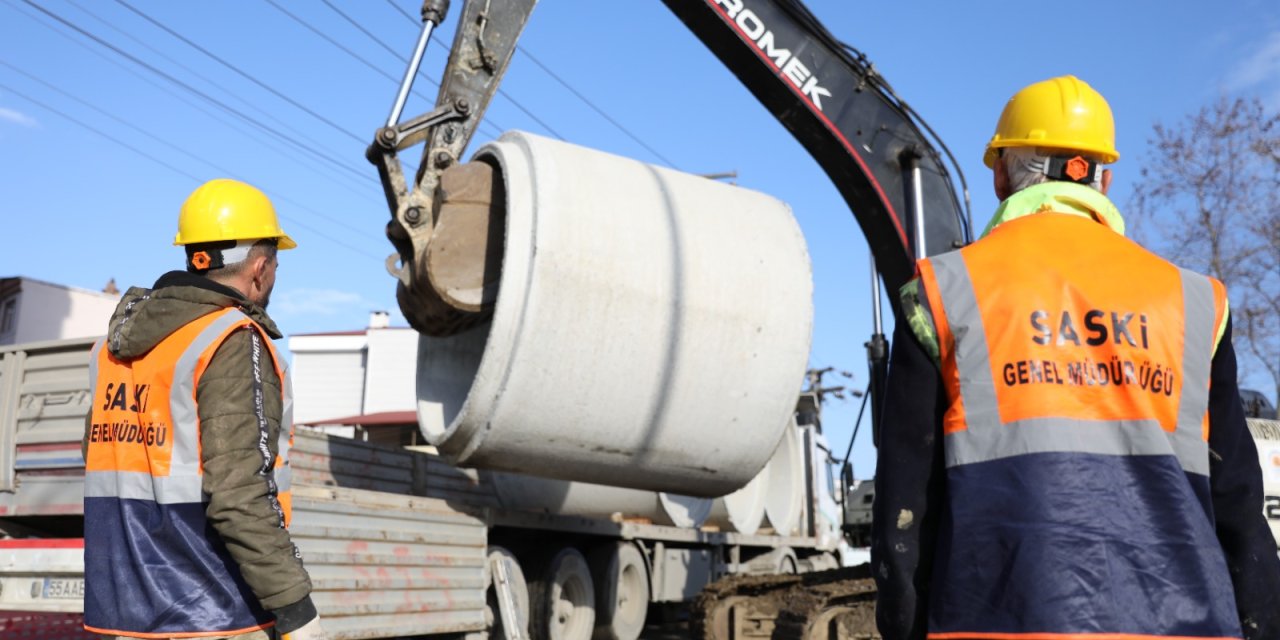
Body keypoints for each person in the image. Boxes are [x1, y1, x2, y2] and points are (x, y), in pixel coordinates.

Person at [871, 76, 1280, 640]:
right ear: (1104, 179)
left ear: (998, 175)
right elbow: (1240, 511)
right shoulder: (1194, 301)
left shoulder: (944, 290)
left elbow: (905, 516)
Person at [82, 179, 325, 640]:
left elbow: (102, 458)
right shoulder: (229, 340)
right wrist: (295, 607)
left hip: (124, 612)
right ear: (259, 267)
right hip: (212, 613)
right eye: (274, 264)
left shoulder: (109, 351)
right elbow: (239, 494)